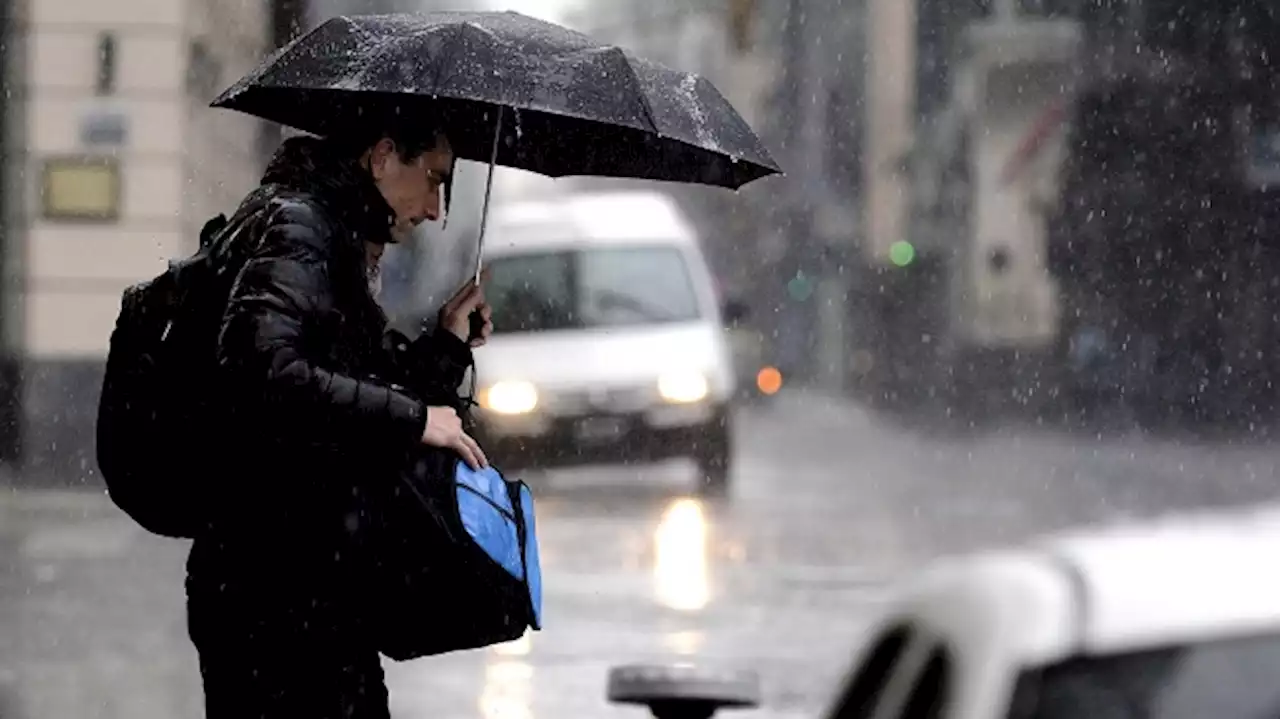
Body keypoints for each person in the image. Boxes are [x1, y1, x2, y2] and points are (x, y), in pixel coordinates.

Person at [186, 117, 492, 719]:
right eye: (432, 180)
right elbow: (263, 368)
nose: (435, 208)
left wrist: (447, 348)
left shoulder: (337, 236)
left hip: (304, 582)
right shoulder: (303, 228)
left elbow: (348, 393)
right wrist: (413, 418)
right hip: (274, 591)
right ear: (381, 156)